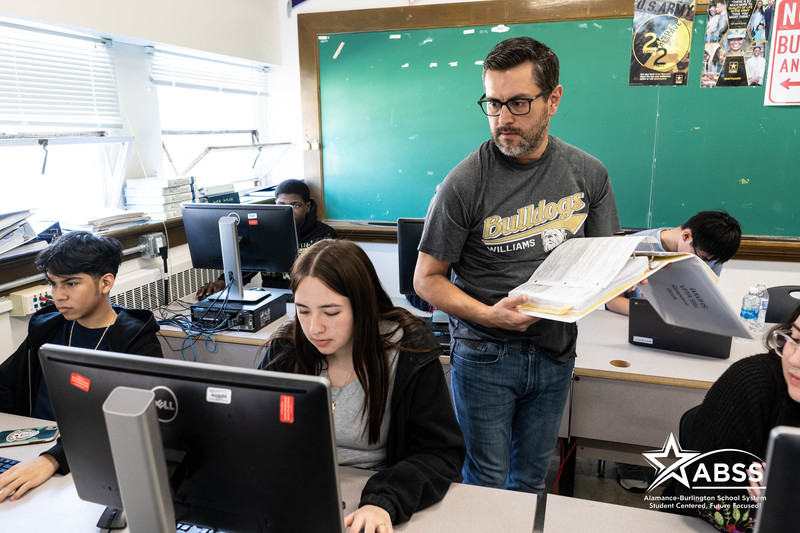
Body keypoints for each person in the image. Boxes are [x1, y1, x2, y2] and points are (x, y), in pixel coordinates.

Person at [414, 36, 621, 496]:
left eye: (519, 103)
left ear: (554, 99)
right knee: (483, 483)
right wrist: (491, 315)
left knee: (529, 482)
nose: (503, 118)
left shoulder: (589, 174)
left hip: (554, 353)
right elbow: (426, 279)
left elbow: (605, 261)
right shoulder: (463, 182)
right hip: (484, 355)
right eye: (493, 103)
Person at [262, 240, 465, 532]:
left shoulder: (407, 350)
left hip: (378, 496)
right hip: (299, 496)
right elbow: (256, 433)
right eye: (303, 311)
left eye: (331, 313)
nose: (314, 328)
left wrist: (383, 500)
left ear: (363, 306)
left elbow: (441, 455)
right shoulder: (287, 348)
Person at [0, 231, 163, 502]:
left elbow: (130, 425)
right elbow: (6, 383)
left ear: (106, 283)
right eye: (53, 284)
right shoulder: (47, 328)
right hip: (32, 447)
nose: (58, 295)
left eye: (71, 284)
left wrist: (53, 460)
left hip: (87, 461)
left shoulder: (135, 343)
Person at [667, 303, 800, 532]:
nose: (795, 360)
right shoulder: (751, 382)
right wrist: (776, 510)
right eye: (796, 339)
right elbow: (697, 494)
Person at [196, 178, 338, 297]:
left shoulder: (324, 235)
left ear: (307, 207)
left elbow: (327, 280)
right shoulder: (264, 232)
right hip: (272, 296)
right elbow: (249, 266)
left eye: (295, 205)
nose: (288, 211)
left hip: (309, 297)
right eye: (282, 205)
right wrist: (223, 282)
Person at [606, 210, 742, 316]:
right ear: (686, 236)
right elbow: (612, 302)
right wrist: (662, 316)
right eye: (702, 257)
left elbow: (700, 302)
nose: (704, 263)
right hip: (631, 321)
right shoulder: (635, 246)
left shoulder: (711, 255)